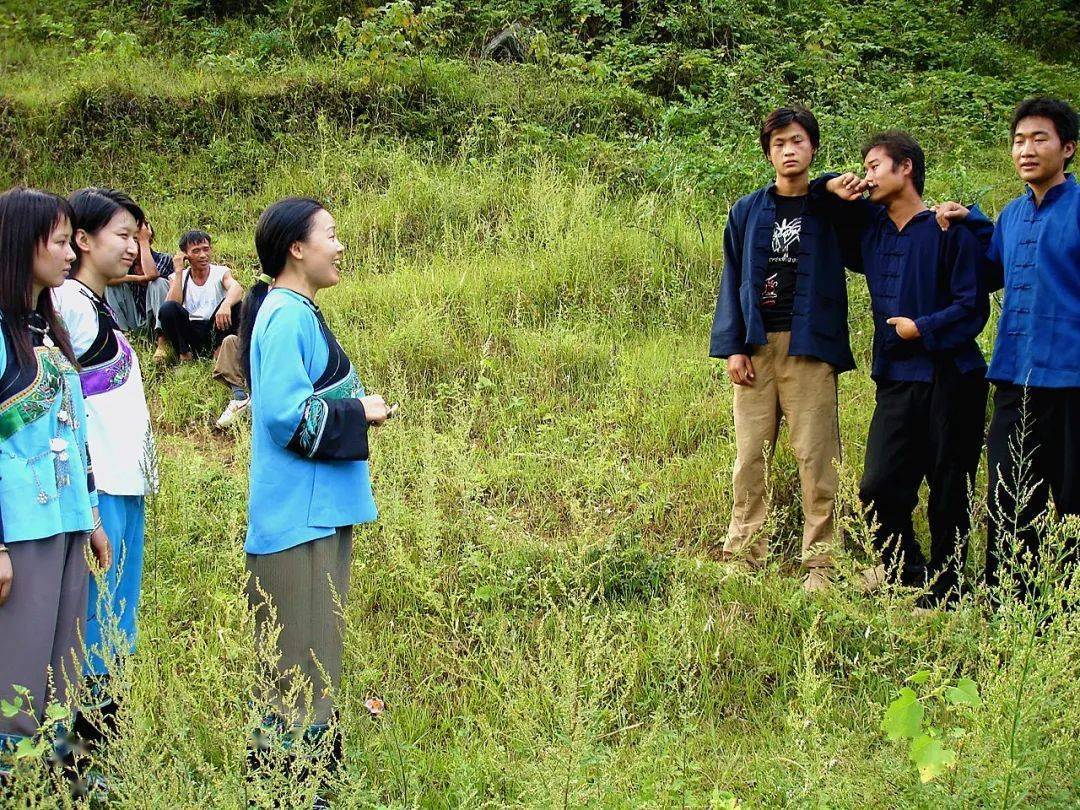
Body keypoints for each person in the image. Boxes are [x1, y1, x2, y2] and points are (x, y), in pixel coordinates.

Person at [240, 197, 391, 787]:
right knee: (294, 669)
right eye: (331, 234)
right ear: (296, 249)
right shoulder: (286, 314)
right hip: (296, 520)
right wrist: (361, 411)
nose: (341, 245)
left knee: (314, 662)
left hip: (316, 515)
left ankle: (310, 784)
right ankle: (286, 790)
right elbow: (282, 416)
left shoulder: (295, 311)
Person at [826, 133, 990, 608]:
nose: (868, 174)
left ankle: (949, 589)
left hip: (952, 378)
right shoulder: (872, 231)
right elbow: (825, 215)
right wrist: (839, 189)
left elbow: (972, 308)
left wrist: (923, 328)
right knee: (878, 487)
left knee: (948, 490)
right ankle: (908, 573)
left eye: (875, 165)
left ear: (906, 169)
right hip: (896, 378)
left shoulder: (946, 229)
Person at [937, 96, 1080, 602]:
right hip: (1013, 375)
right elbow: (992, 270)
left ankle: (1062, 607)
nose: (1026, 149)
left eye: (1040, 138)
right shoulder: (1012, 215)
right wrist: (970, 223)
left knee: (1071, 499)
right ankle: (1007, 602)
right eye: (1019, 140)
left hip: (1070, 380)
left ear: (1068, 148)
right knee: (1009, 493)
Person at [710, 105, 856, 592]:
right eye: (779, 144)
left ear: (812, 147)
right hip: (756, 347)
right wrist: (733, 347)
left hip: (809, 347)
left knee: (816, 456)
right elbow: (732, 277)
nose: (789, 150)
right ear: (768, 152)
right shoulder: (748, 210)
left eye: (797, 141)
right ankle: (743, 554)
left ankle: (820, 564)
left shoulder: (829, 206)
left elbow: (859, 201)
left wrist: (831, 184)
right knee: (750, 456)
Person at [0, 187, 111, 781]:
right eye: (62, 241)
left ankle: (60, 774)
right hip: (20, 528)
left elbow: (77, 432)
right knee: (17, 663)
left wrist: (91, 516)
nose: (71, 253)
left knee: (63, 658)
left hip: (67, 522)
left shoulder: (44, 329)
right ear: (23, 242)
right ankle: (14, 779)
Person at [53, 188, 155, 757]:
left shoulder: (97, 304)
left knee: (115, 609)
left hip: (123, 481)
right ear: (84, 240)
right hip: (101, 488)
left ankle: (103, 736)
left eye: (138, 236)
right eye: (123, 235)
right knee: (98, 612)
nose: (134, 248)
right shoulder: (68, 302)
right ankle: (88, 742)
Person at [155, 229, 249, 427]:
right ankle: (185, 354)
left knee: (237, 305)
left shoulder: (219, 272)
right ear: (185, 255)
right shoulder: (178, 276)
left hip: (215, 326)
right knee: (168, 309)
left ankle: (219, 351)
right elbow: (171, 305)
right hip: (190, 330)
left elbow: (237, 288)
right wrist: (179, 271)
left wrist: (225, 305)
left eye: (206, 249)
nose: (203, 255)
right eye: (196, 251)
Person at [103, 221, 173, 334]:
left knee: (157, 283)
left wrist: (143, 241)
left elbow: (152, 275)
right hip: (137, 319)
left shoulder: (164, 259)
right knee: (111, 286)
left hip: (158, 318)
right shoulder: (127, 262)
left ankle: (162, 338)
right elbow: (106, 279)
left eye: (136, 239)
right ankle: (124, 334)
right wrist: (137, 278)